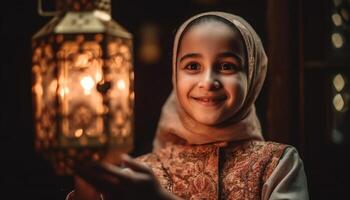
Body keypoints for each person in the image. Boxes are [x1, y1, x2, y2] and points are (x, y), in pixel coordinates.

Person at [67, 11, 309, 200]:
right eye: (193, 66)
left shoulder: (277, 164)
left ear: (254, 75)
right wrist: (87, 185)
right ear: (175, 74)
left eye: (227, 66)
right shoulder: (141, 172)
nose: (208, 82)